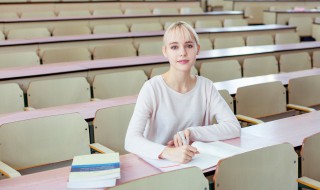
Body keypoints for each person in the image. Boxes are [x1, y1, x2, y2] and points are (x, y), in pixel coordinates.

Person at [125, 21, 241, 164]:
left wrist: (192, 133)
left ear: (197, 49)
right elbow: (131, 140)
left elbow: (233, 127)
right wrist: (167, 152)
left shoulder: (206, 86)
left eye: (189, 46)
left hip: (196, 162)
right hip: (159, 164)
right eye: (174, 47)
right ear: (165, 51)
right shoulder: (152, 88)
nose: (183, 53)